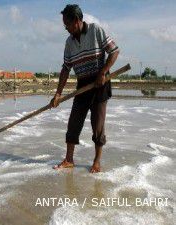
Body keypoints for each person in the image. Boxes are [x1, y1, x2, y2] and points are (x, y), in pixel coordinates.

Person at [50, 4, 119, 173]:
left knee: (98, 125)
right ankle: (69, 159)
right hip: (82, 85)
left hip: (99, 83)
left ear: (77, 20)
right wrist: (57, 94)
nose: (65, 27)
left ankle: (96, 161)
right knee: (74, 123)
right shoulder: (69, 42)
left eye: (67, 23)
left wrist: (102, 73)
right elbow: (66, 69)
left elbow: (114, 51)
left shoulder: (96, 30)